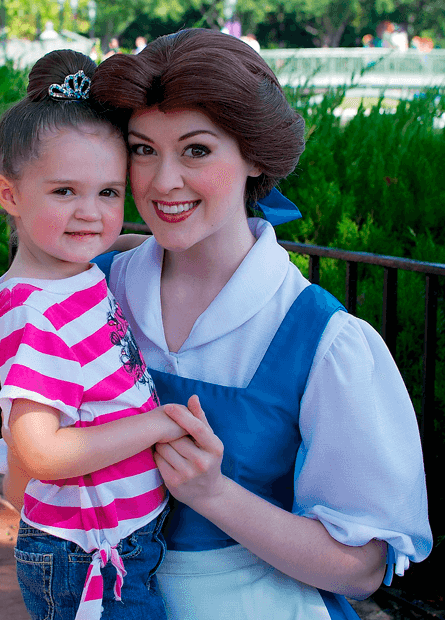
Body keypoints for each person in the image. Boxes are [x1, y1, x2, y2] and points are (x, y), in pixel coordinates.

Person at [85, 28, 433, 619]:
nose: (162, 181)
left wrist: (213, 494)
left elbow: (362, 568)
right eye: (143, 149)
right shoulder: (98, 290)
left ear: (254, 156)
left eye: (196, 150)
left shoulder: (324, 341)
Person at [0, 48, 197, 620]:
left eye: (107, 192)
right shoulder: (35, 314)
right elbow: (41, 451)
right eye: (64, 192)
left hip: (119, 539)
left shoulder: (71, 275)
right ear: (10, 195)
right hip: (91, 555)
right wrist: (158, 422)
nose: (90, 213)